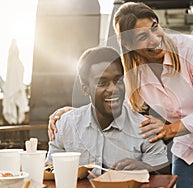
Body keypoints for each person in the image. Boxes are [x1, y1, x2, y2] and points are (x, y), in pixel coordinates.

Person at [48, 3, 193, 188]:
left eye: (155, 28)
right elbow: (120, 105)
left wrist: (170, 129)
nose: (155, 39)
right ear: (128, 44)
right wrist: (71, 113)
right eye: (143, 36)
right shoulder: (135, 72)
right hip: (189, 141)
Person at [46, 47, 168, 176]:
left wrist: (145, 168)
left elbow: (162, 176)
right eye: (102, 83)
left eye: (118, 80)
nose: (113, 89)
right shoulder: (65, 124)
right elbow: (50, 171)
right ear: (86, 89)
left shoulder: (145, 129)